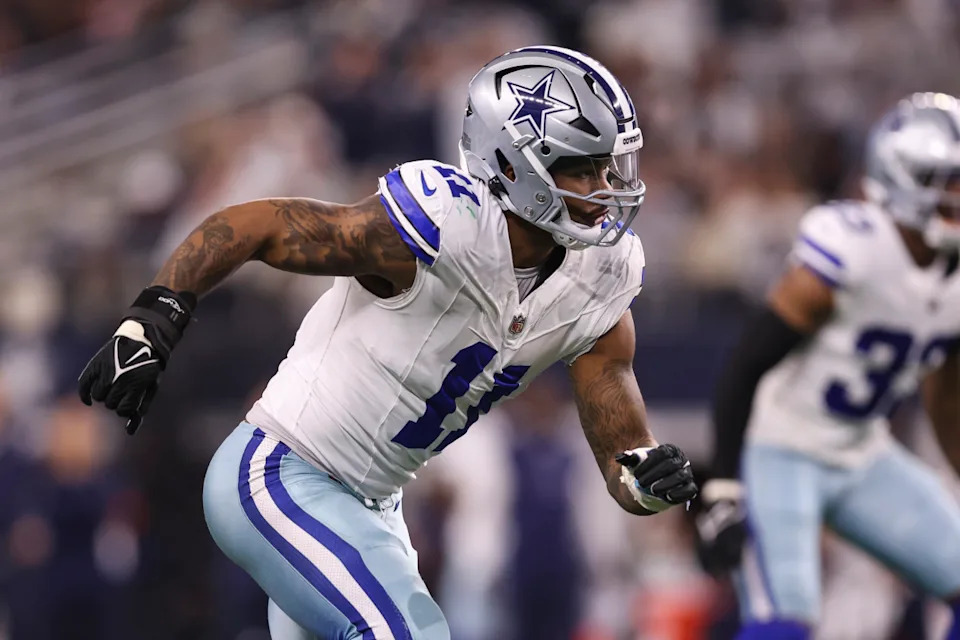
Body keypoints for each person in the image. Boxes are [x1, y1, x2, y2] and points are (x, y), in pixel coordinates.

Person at [77, 46, 698, 640]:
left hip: (374, 507)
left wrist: (644, 478)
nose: (604, 186)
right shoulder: (443, 227)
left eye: (607, 164)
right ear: (511, 165)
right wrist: (153, 318)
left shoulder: (600, 276)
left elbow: (619, 437)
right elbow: (258, 224)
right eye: (582, 167)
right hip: (280, 471)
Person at [695, 92, 960, 639]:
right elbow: (748, 361)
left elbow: (947, 394)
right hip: (780, 447)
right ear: (906, 178)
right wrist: (722, 487)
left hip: (863, 451)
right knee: (785, 621)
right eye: (950, 180)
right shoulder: (855, 244)